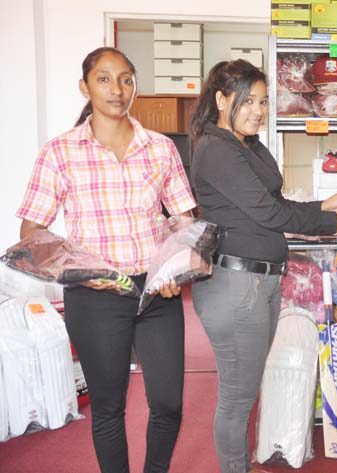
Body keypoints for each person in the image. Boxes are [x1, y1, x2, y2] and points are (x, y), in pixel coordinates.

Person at [16, 47, 197, 473]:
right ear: (85, 86)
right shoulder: (59, 153)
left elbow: (183, 223)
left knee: (169, 403)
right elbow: (32, 234)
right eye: (104, 79)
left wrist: (177, 268)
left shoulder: (161, 149)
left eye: (127, 79)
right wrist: (82, 271)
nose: (117, 89)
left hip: (155, 292)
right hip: (95, 296)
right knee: (109, 406)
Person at [188, 59, 337, 473]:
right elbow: (270, 215)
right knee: (237, 398)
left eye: (264, 101)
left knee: (245, 392)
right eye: (247, 100)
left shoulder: (246, 144)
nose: (258, 109)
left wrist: (325, 205)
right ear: (220, 99)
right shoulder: (216, 149)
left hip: (260, 283)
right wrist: (336, 223)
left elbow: (275, 206)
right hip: (236, 286)